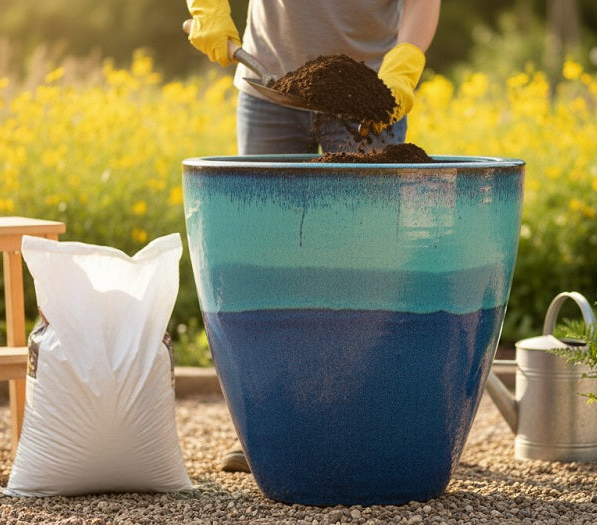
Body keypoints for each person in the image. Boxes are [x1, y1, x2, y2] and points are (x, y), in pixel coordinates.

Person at [185, 0, 441, 472]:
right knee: (265, 259)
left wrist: (405, 63)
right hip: (268, 85)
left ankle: (369, 421)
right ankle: (268, 425)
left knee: (370, 262)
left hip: (366, 93)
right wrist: (207, 8)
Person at [186, 0, 440, 155]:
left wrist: (403, 67)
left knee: (365, 225)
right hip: (269, 90)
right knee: (267, 224)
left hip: (369, 98)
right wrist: (209, 9)